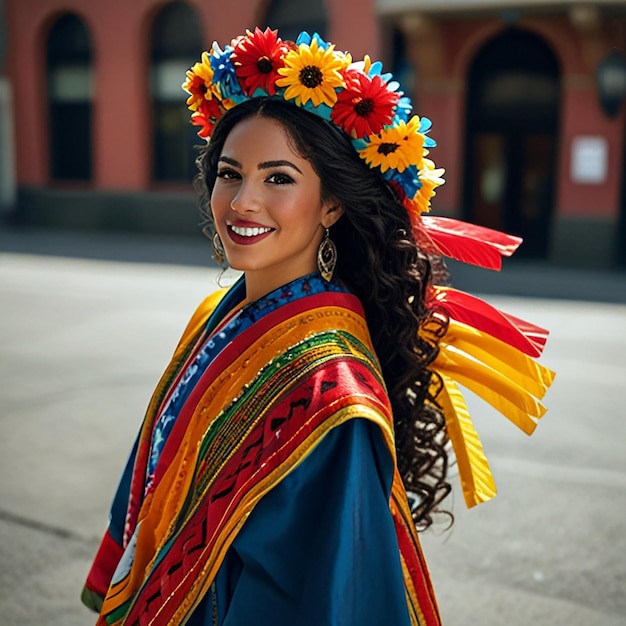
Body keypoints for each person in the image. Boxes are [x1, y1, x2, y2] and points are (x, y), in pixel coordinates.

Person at [81, 28, 554, 626]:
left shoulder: (330, 389)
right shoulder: (217, 315)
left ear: (331, 204)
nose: (243, 200)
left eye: (278, 178)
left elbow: (315, 596)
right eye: (230, 173)